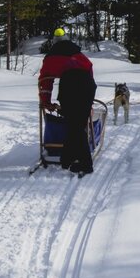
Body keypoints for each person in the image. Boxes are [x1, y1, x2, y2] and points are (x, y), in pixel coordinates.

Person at [39, 28, 97, 175]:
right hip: (87, 87)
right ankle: (67, 158)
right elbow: (89, 68)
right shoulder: (78, 53)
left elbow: (45, 81)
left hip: (70, 89)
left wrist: (45, 101)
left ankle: (86, 164)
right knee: (76, 125)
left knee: (75, 126)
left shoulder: (51, 58)